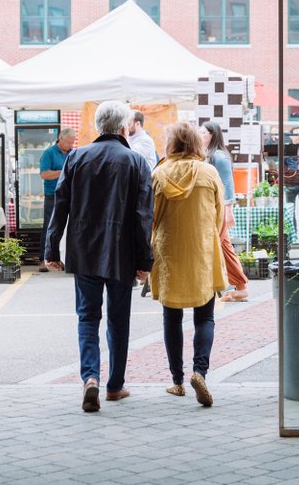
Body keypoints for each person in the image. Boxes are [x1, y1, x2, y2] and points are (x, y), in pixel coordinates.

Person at [45, 101, 153, 413]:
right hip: (122, 253)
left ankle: (90, 377)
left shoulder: (77, 157)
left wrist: (52, 249)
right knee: (119, 320)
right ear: (123, 128)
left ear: (97, 127)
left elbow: (59, 205)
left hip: (84, 250)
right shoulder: (135, 161)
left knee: (87, 317)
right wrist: (145, 261)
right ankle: (115, 386)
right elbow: (143, 215)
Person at [149, 122, 226, 407]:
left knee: (172, 319)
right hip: (202, 251)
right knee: (204, 317)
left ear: (171, 144)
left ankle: (178, 382)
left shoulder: (159, 173)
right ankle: (200, 371)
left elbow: (151, 217)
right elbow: (219, 216)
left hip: (169, 252)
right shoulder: (209, 172)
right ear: (196, 143)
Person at [200, 121, 248, 303]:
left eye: (203, 133)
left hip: (218, 209)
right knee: (223, 247)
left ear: (212, 135)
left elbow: (228, 184)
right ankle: (237, 286)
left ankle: (233, 285)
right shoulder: (210, 155)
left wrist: (229, 210)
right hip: (213, 209)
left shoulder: (218, 156)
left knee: (216, 246)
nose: (200, 135)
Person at [37, 127, 77, 272]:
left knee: (70, 228)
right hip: (52, 195)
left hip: (70, 195)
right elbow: (44, 174)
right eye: (68, 142)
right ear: (61, 139)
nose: (70, 145)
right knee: (50, 226)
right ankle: (44, 259)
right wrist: (64, 172)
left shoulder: (73, 153)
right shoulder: (49, 153)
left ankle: (66, 260)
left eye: (72, 142)